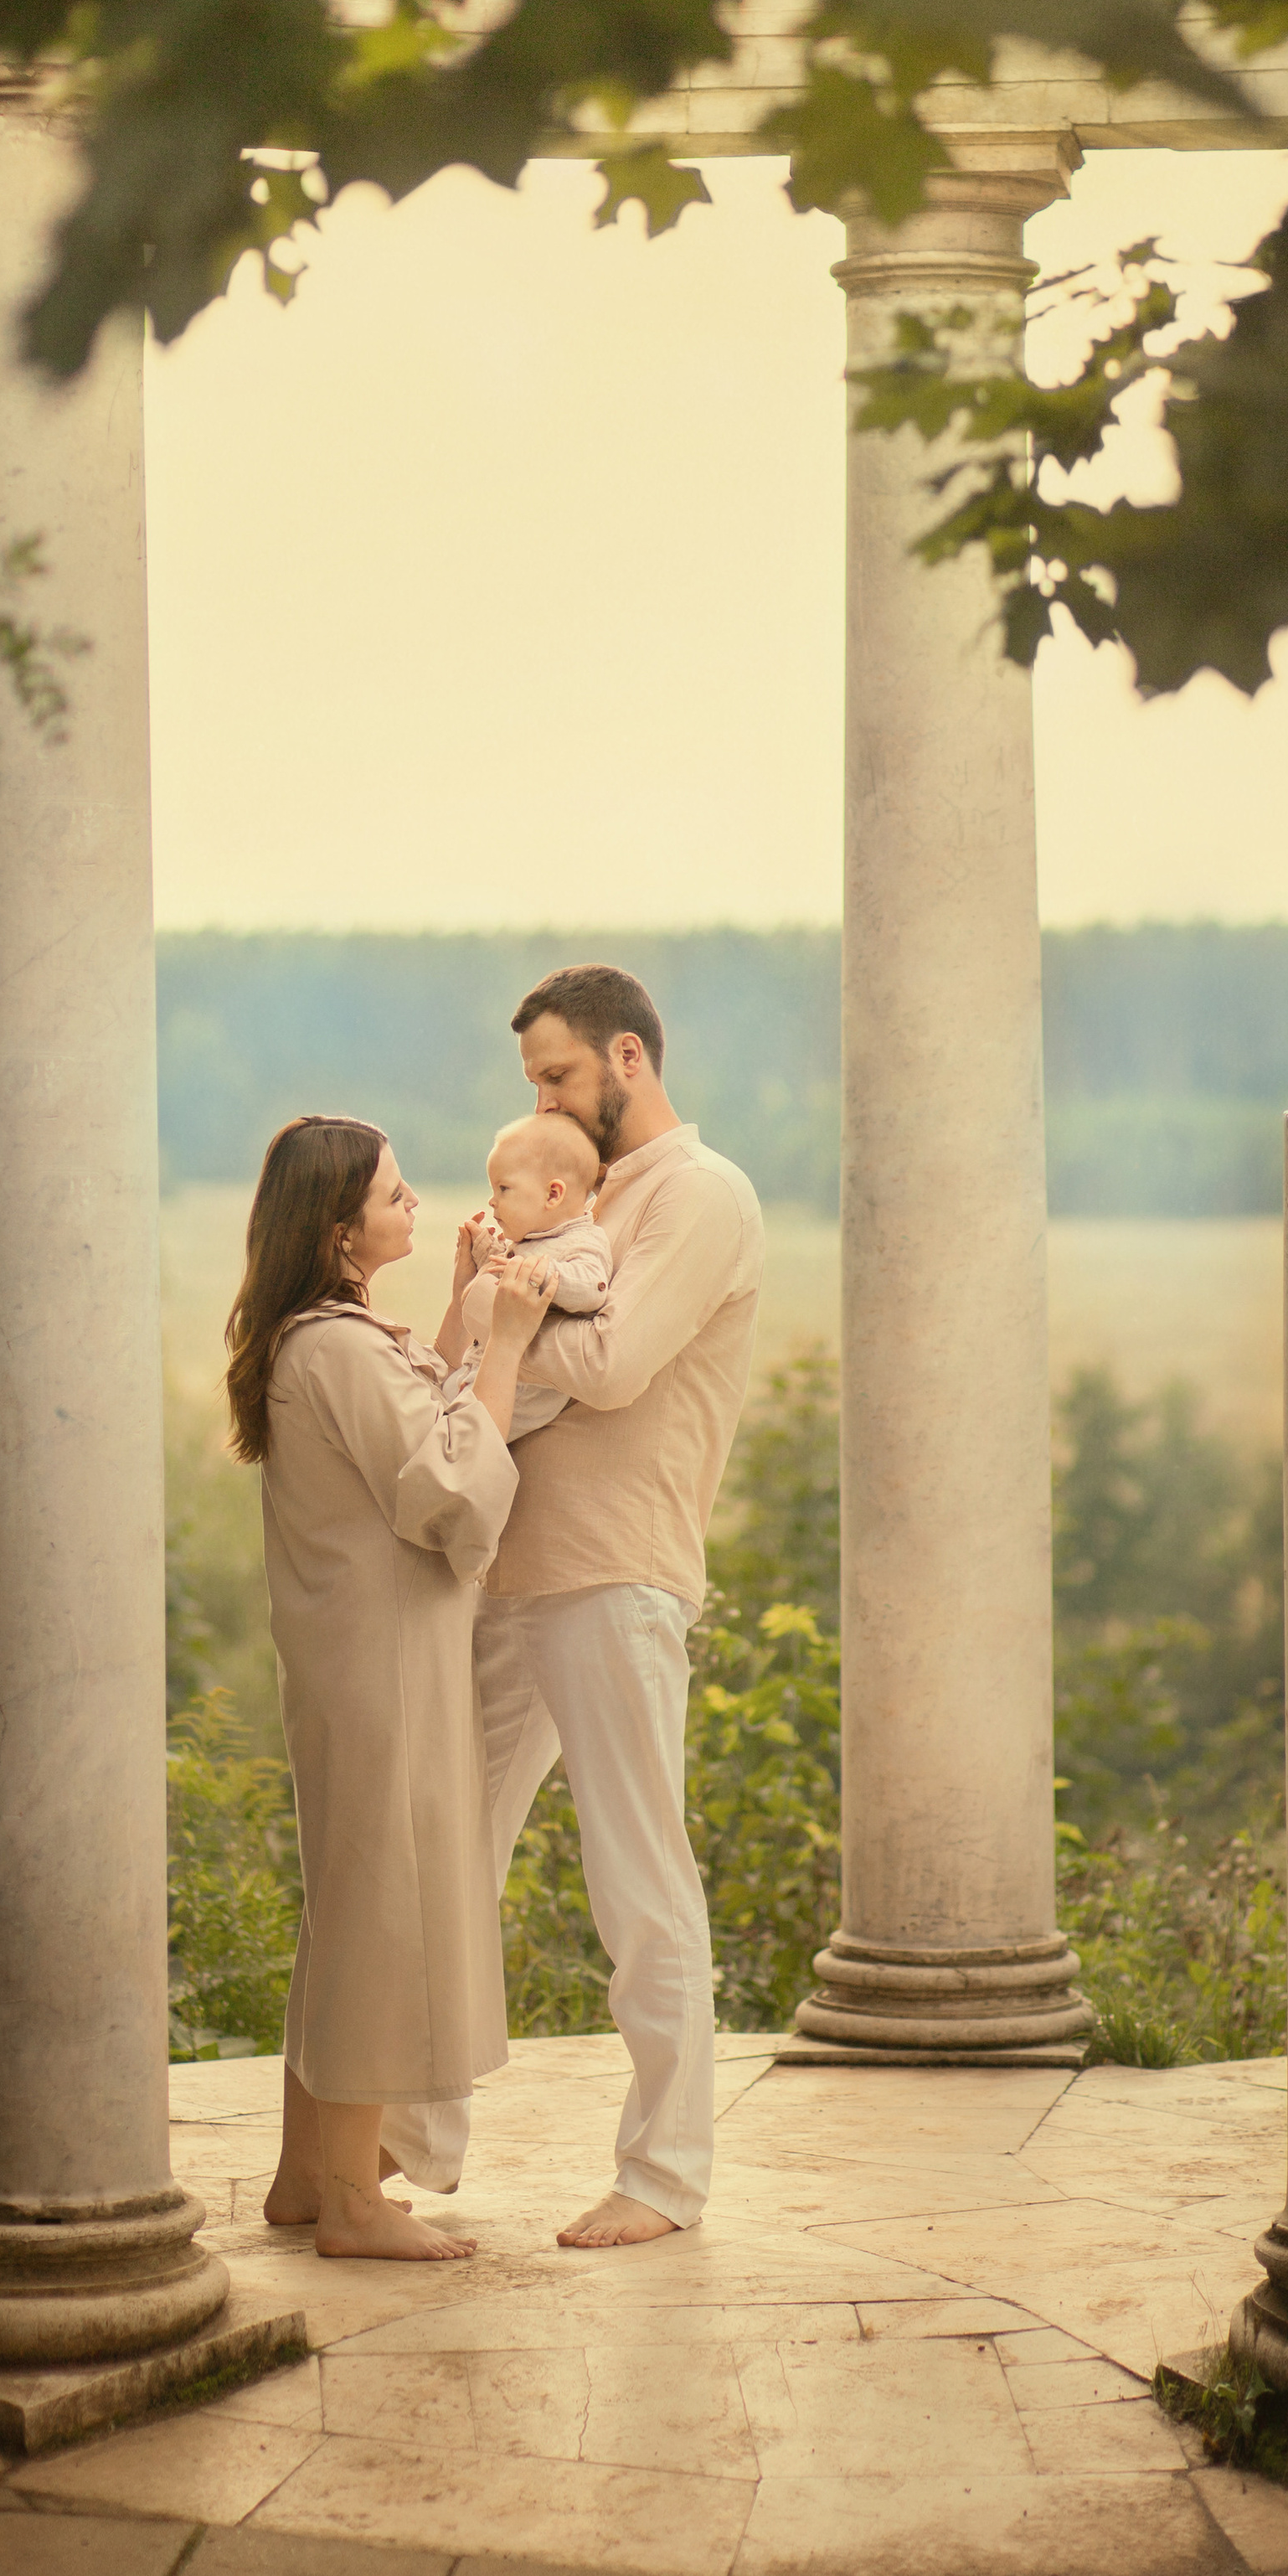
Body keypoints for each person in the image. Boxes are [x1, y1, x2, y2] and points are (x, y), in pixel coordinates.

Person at [396, 963, 765, 2248]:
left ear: (625, 1057)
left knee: (637, 1877)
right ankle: (407, 2141)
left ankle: (663, 2178)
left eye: (556, 1075)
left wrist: (505, 1328)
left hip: (616, 1571)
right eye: (530, 1084)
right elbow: (453, 1365)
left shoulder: (701, 1195)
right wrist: (478, 1305)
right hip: (505, 1567)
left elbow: (608, 1368)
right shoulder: (576, 1197)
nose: (543, 1101)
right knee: (446, 1854)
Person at [224, 1112, 554, 2262]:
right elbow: (452, 1493)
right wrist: (506, 1343)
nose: (416, 1206)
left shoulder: (326, 1340)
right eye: (395, 1196)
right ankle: (354, 2207)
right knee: (377, 1910)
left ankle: (305, 2181)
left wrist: (467, 1331)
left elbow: (428, 1446)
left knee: (346, 1903)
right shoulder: (339, 1348)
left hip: (360, 1661)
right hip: (385, 1670)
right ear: (337, 1230)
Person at [438, 1113, 611, 1443]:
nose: (492, 1200)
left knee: (455, 1439)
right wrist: (485, 1250)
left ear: (552, 1195)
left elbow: (593, 1288)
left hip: (524, 1393)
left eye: (504, 1188)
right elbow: (505, 1269)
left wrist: (544, 1274)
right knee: (432, 1409)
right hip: (478, 1371)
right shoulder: (530, 1241)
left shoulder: (583, 1241)